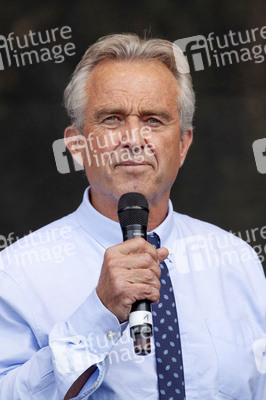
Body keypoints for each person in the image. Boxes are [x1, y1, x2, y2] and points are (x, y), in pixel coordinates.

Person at [0, 33, 265, 400]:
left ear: (183, 144)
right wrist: (99, 313)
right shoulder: (17, 273)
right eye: (112, 119)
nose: (134, 138)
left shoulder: (239, 262)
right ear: (77, 145)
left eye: (154, 120)